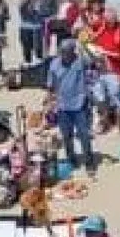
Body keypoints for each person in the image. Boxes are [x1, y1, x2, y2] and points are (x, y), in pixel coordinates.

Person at [47, 39, 95, 177]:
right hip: (63, 106)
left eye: (66, 52)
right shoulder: (54, 64)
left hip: (80, 104)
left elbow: (95, 59)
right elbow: (50, 86)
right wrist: (50, 103)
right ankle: (71, 159)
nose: (63, 55)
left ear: (72, 52)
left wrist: (83, 46)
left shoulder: (80, 61)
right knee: (66, 136)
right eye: (61, 52)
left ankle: (89, 162)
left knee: (84, 135)